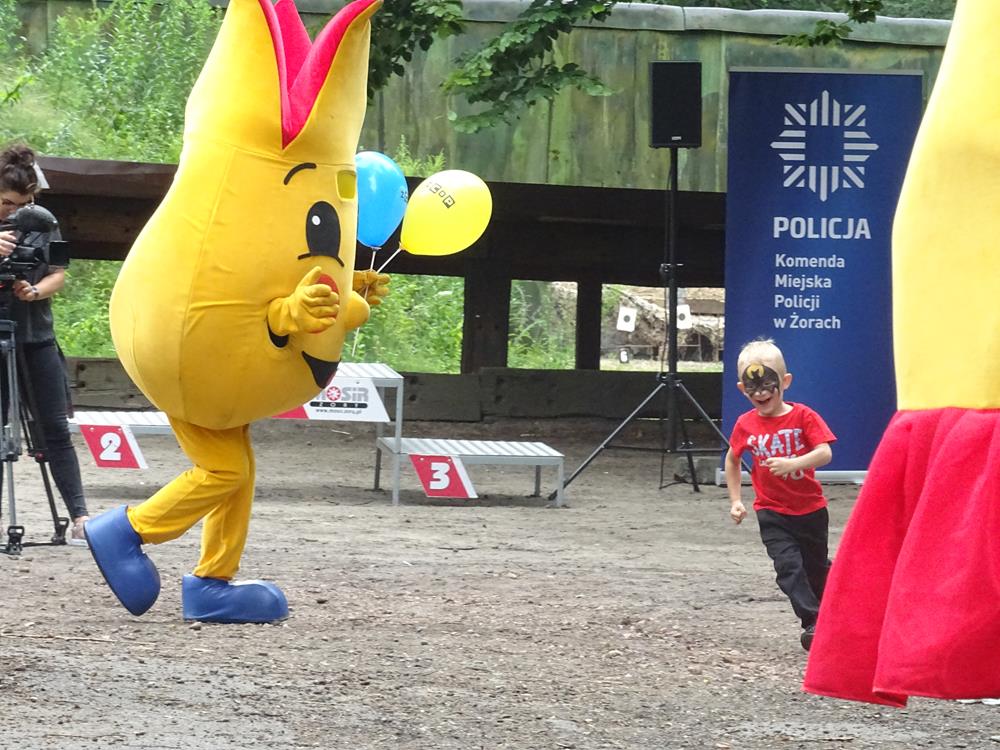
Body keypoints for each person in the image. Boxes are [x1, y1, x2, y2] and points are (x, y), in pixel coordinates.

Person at [0, 142, 90, 545]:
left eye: (23, 204)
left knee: (54, 428)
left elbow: (59, 273)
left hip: (36, 335)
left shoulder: (44, 220)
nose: (14, 212)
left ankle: (80, 516)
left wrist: (35, 291)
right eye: (6, 203)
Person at [724, 338, 836, 652]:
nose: (760, 393)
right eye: (752, 387)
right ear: (742, 389)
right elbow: (732, 460)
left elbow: (825, 452)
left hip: (811, 510)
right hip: (771, 511)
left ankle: (835, 606)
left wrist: (794, 464)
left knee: (815, 569)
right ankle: (812, 622)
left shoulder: (804, 417)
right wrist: (736, 500)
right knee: (788, 567)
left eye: (767, 385)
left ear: (784, 382)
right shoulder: (745, 424)